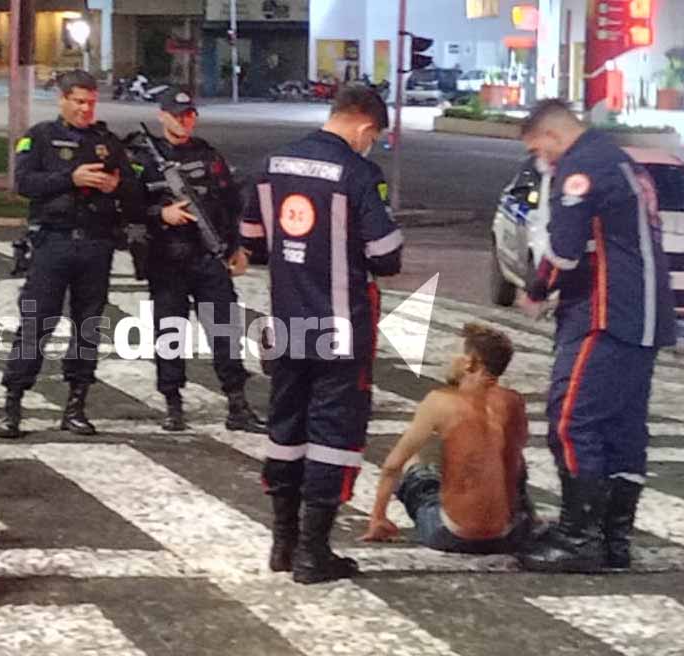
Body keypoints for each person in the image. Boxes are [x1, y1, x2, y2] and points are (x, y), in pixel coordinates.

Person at [240, 86, 403, 584]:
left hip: (287, 321)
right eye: (373, 137)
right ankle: (314, 553)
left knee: (285, 428)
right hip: (340, 328)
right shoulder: (359, 174)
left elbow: (251, 241)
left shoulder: (273, 165)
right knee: (333, 435)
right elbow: (387, 256)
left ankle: (283, 544)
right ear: (365, 128)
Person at [516, 99, 677, 573]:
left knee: (572, 420)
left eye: (538, 149)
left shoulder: (580, 167)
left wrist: (537, 289)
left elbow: (563, 251)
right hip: (646, 314)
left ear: (550, 137)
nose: (541, 160)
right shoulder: (619, 159)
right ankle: (613, 538)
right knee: (623, 428)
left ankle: (577, 535)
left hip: (605, 312)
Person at [0, 69, 142, 439]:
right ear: (62, 100)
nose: (85, 108)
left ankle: (76, 404)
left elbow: (133, 190)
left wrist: (115, 185)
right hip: (53, 242)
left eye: (90, 102)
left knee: (88, 325)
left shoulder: (107, 142)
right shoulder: (41, 137)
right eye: (78, 101)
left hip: (96, 245)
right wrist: (70, 178)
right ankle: (13, 404)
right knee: (37, 322)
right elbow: (24, 184)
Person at [124, 88, 266, 434]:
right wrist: (162, 213)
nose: (184, 121)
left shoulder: (208, 155)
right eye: (176, 114)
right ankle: (173, 404)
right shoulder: (143, 160)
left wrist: (238, 248)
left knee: (225, 330)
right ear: (162, 116)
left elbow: (232, 203)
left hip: (208, 258)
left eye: (189, 115)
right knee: (170, 332)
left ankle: (237, 403)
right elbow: (129, 210)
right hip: (167, 260)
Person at [360, 323, 534, 553]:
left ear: (470, 363)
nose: (447, 359)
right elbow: (516, 467)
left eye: (454, 353)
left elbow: (392, 466)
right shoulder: (513, 401)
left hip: (452, 534)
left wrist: (377, 518)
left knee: (414, 462)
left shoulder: (439, 401)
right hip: (507, 535)